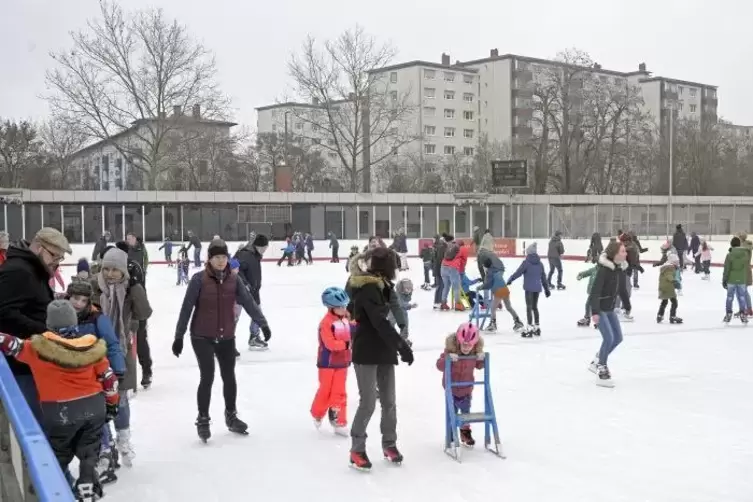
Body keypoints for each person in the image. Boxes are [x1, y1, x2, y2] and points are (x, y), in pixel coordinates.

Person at [0, 300, 119, 501]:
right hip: (94, 406)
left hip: (60, 411)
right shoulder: (92, 348)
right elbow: (109, 379)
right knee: (89, 451)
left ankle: (56, 491)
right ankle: (87, 485)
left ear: (49, 324)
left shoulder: (37, 348)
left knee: (58, 455)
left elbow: (11, 344)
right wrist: (112, 405)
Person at [172, 239, 271, 442]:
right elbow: (186, 308)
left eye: (224, 257)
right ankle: (203, 418)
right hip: (202, 336)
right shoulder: (198, 280)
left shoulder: (234, 280)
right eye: (217, 257)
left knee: (229, 377)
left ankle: (231, 416)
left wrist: (263, 324)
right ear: (210, 258)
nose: (220, 261)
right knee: (207, 377)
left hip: (226, 336)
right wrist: (179, 336)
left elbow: (249, 303)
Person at [347, 247, 414, 471]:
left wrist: (402, 330)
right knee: (367, 403)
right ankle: (357, 449)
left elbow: (394, 307)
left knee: (389, 402)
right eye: (394, 265)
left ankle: (389, 444)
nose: (396, 269)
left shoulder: (383, 285)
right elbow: (379, 322)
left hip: (384, 349)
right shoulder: (367, 288)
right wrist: (401, 345)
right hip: (366, 351)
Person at [0, 227, 72, 419]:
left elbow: (29, 302)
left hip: (32, 361)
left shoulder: (33, 269)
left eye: (60, 258)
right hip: (21, 365)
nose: (56, 262)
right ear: (39, 248)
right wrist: (44, 331)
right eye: (55, 256)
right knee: (31, 419)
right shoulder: (19, 271)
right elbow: (4, 313)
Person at [91, 247, 152, 467]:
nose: (109, 273)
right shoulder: (94, 287)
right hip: (95, 352)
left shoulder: (130, 289)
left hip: (122, 350)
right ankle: (105, 444)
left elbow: (144, 313)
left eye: (115, 269)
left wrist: (136, 286)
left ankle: (123, 439)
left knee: (121, 398)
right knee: (99, 399)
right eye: (106, 268)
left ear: (123, 270)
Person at [587, 240, 631, 388]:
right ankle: (602, 367)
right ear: (615, 254)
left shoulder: (619, 270)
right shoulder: (604, 270)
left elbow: (622, 290)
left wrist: (627, 304)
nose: (626, 253)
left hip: (610, 309)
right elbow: (594, 292)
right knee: (608, 338)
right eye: (623, 251)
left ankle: (597, 360)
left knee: (618, 338)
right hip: (599, 308)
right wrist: (594, 312)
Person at [436, 323, 485, 447]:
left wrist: (481, 358)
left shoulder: (474, 351)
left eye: (469, 345)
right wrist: (447, 359)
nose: (466, 347)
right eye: (464, 344)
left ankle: (465, 433)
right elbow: (439, 365)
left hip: (466, 389)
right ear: (458, 340)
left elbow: (479, 366)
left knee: (465, 414)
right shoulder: (450, 350)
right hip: (451, 390)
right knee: (451, 413)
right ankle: (451, 433)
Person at [311, 287, 352, 436]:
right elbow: (330, 344)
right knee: (326, 390)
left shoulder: (347, 317)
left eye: (344, 306)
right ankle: (317, 412)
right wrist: (347, 345)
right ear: (330, 308)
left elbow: (354, 330)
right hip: (327, 363)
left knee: (340, 392)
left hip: (343, 362)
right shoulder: (326, 323)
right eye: (340, 307)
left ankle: (340, 422)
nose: (343, 309)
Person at [506, 243, 550, 337]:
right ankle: (537, 328)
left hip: (529, 289)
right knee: (535, 307)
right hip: (537, 289)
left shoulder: (526, 263)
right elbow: (543, 277)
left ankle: (529, 328)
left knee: (529, 307)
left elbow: (518, 272)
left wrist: (511, 279)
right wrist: (546, 289)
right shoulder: (540, 263)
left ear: (528, 253)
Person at [126, 232, 152, 389]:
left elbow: (145, 265)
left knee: (141, 339)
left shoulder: (141, 251)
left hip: (137, 300)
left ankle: (146, 371)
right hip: (122, 309)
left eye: (131, 238)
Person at [235, 234, 270, 350]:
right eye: (265, 247)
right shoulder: (245, 254)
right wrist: (245, 284)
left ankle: (254, 337)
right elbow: (236, 269)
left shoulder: (255, 255)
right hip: (239, 292)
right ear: (259, 246)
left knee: (257, 314)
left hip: (254, 291)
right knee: (233, 318)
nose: (266, 250)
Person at [479, 254, 523, 333]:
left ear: (486, 266)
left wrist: (480, 287)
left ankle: (493, 325)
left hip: (498, 291)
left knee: (492, 308)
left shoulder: (489, 273)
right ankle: (518, 321)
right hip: (505, 290)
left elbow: (488, 284)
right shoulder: (496, 270)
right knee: (509, 307)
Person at [722, 236, 749, 324]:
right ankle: (743, 314)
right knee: (742, 297)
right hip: (741, 279)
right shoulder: (745, 254)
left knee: (730, 297)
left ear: (731, 244)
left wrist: (724, 279)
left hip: (731, 279)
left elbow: (727, 269)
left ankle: (728, 314)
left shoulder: (729, 255)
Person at [657, 254, 683, 324]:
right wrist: (673, 280)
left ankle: (660, 315)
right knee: (674, 302)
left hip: (663, 287)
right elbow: (669, 275)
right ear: (673, 262)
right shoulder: (670, 268)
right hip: (669, 288)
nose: (678, 263)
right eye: (676, 262)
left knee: (664, 302)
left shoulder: (665, 267)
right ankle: (672, 316)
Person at [432, 234, 447, 308]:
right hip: (440, 270)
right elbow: (440, 260)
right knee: (441, 286)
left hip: (438, 269)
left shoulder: (438, 247)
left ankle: (438, 302)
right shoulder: (441, 248)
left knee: (440, 286)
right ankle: (438, 302)